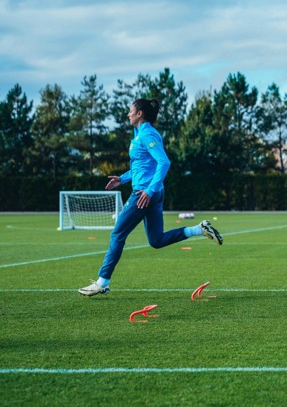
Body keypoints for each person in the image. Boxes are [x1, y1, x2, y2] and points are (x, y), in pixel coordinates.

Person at [78, 98, 222, 296]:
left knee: (117, 234)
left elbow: (164, 162)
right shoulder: (138, 135)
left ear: (139, 114)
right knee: (156, 240)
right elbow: (141, 167)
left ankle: (102, 281)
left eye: (130, 111)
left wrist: (149, 190)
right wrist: (122, 179)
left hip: (144, 195)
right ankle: (198, 229)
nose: (127, 114)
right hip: (149, 192)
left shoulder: (147, 134)